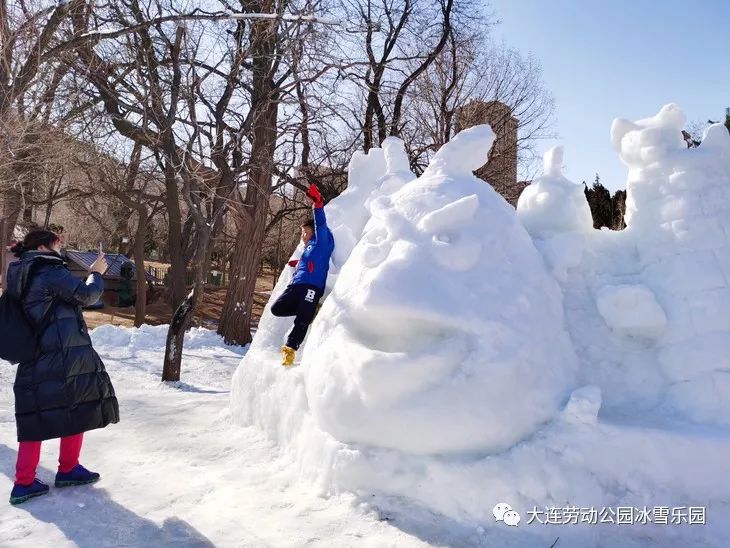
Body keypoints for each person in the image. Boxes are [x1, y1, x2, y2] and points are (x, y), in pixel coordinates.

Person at [5, 230, 119, 505]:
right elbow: (87, 295)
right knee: (75, 404)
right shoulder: (47, 270)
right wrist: (96, 273)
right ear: (44, 246)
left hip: (39, 351)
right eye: (58, 243)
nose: (61, 248)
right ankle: (64, 469)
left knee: (38, 412)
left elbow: (63, 296)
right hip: (61, 352)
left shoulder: (26, 271)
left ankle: (29, 479)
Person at [271, 184, 334, 366]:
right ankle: (308, 309)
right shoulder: (308, 249)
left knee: (302, 321)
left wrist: (318, 203)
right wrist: (297, 265)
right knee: (277, 309)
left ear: (314, 233)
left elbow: (320, 224)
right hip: (296, 286)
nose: (303, 236)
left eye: (305, 232)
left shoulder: (322, 242)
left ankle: (290, 349)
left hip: (311, 287)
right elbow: (310, 264)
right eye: (302, 233)